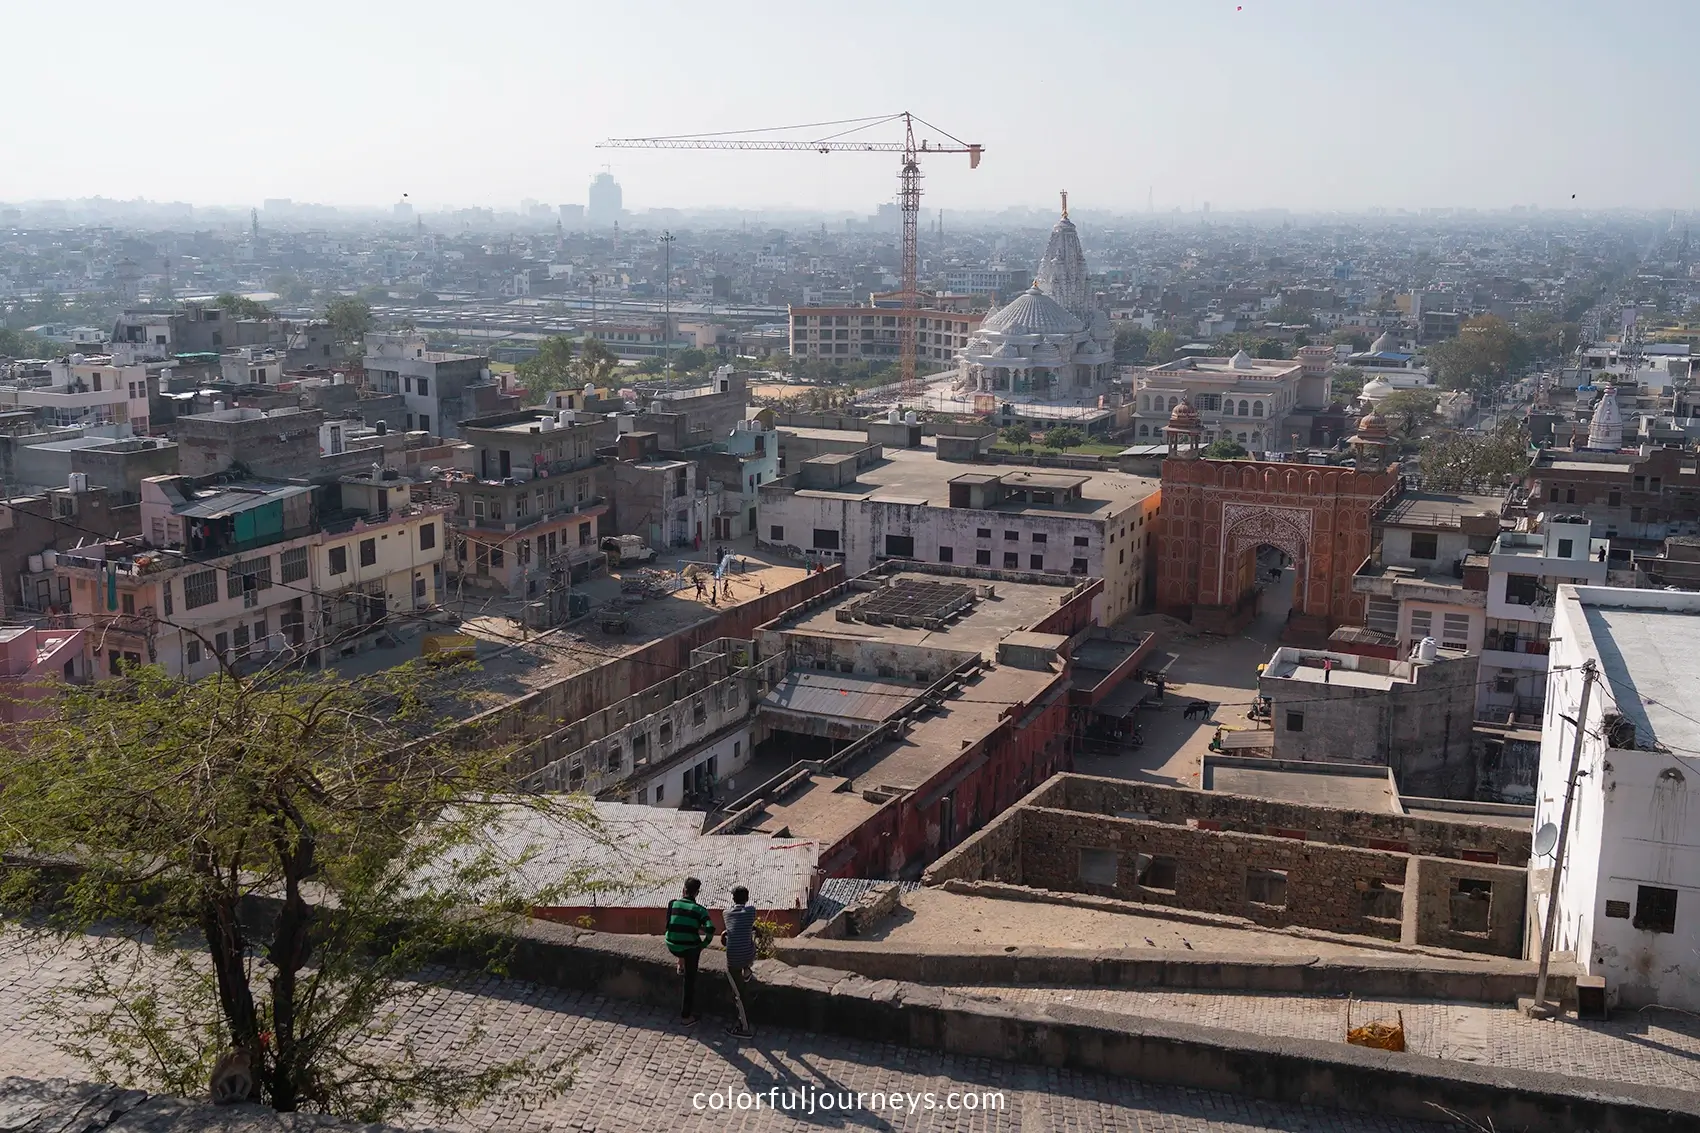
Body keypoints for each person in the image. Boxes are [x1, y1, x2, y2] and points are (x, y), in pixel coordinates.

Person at [665, 877, 714, 1027]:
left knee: (684, 944)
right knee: (690, 981)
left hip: (672, 945)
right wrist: (703, 944)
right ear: (697, 893)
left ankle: (680, 961)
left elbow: (668, 925)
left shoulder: (672, 903)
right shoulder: (700, 910)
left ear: (683, 890)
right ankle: (686, 1017)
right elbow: (711, 929)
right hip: (690, 949)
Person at [722, 885, 757, 1039]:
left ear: (733, 899)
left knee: (738, 994)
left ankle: (744, 1027)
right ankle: (747, 969)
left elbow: (733, 925)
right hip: (748, 956)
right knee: (751, 940)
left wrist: (724, 933)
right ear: (747, 898)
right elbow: (747, 924)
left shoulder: (726, 913)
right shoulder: (751, 911)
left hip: (734, 959)